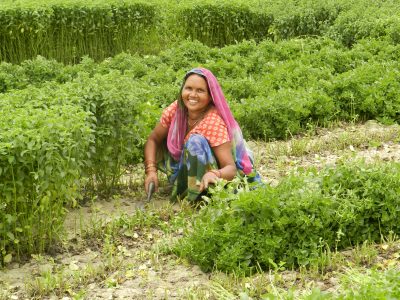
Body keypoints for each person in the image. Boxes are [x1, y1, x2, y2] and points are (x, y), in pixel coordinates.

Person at [144, 67, 262, 201]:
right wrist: (151, 171)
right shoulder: (178, 109)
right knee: (169, 142)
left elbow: (231, 169)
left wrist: (214, 174)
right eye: (188, 88)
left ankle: (198, 195)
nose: (192, 95)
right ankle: (182, 184)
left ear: (210, 96)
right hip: (183, 167)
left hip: (213, 174)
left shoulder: (212, 122)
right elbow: (153, 140)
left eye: (200, 90)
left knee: (195, 142)